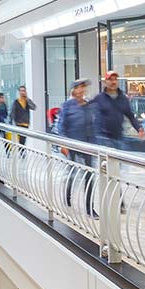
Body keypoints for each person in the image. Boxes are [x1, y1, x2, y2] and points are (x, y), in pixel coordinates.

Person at [55, 79, 97, 215]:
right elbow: (61, 126)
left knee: (89, 176)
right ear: (73, 90)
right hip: (72, 145)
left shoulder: (88, 105)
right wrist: (63, 143)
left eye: (83, 87)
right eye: (78, 88)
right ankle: (67, 197)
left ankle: (89, 208)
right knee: (72, 173)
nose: (81, 90)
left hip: (87, 145)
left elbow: (92, 126)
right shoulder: (67, 105)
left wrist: (95, 146)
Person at [91, 71, 144, 149]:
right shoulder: (99, 98)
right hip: (103, 139)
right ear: (105, 82)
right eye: (110, 79)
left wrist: (139, 128)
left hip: (118, 137)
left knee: (121, 159)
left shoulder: (123, 99)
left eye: (115, 79)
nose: (113, 82)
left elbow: (130, 116)